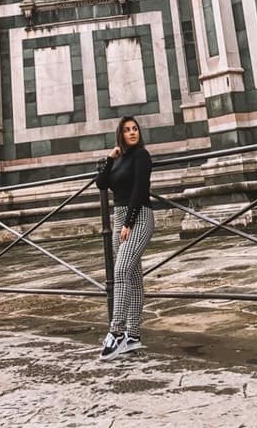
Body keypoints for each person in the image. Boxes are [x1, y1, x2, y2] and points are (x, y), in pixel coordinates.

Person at [95, 115, 155, 361]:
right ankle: (133, 335)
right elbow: (101, 184)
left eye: (135, 129)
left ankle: (116, 332)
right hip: (120, 218)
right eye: (128, 130)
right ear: (121, 134)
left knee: (120, 272)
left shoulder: (142, 156)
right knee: (132, 276)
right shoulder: (119, 159)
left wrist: (129, 222)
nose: (133, 133)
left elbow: (141, 189)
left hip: (139, 217)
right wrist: (110, 159)